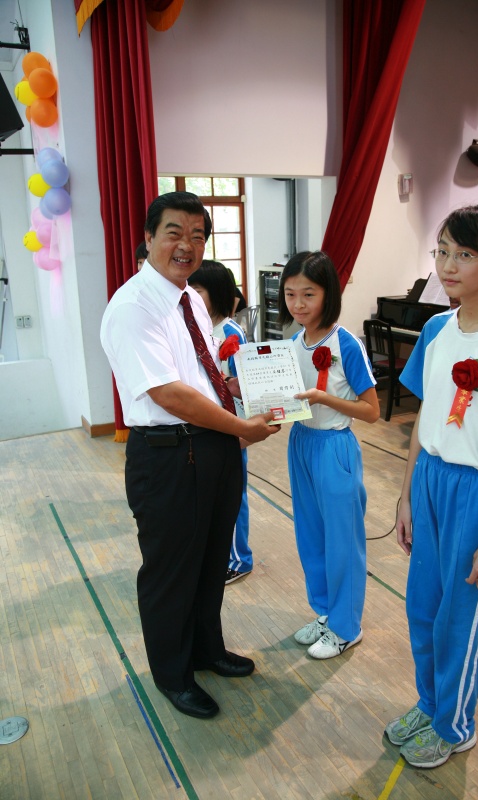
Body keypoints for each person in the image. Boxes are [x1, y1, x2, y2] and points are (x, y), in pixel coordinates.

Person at [100, 191, 280, 720]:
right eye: (175, 233)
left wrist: (242, 388)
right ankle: (172, 675)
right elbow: (169, 394)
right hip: (168, 456)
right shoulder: (133, 306)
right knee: (171, 572)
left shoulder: (192, 299)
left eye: (198, 236)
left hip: (212, 447)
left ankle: (206, 650)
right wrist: (240, 427)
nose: (187, 245)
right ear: (149, 238)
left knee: (210, 560)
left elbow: (201, 374)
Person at [386, 205, 478, 768]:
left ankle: (455, 725)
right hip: (430, 480)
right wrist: (407, 496)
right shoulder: (436, 329)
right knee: (423, 608)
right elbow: (426, 418)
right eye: (442, 251)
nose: (448, 265)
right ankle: (430, 703)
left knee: (463, 617)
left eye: (465, 254)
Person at [278, 251, 380, 659]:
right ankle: (325, 613)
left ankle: (347, 626)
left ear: (328, 295)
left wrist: (325, 399)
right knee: (311, 536)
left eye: (309, 294)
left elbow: (371, 411)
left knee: (342, 540)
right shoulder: (293, 343)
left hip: (335, 446)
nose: (298, 304)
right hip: (301, 442)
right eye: (290, 294)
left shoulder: (346, 343)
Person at [188, 259, 253, 584]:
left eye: (197, 290)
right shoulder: (197, 327)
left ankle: (240, 560)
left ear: (215, 292)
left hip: (232, 428)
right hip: (209, 426)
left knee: (234, 496)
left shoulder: (230, 333)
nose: (190, 295)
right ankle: (220, 554)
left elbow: (247, 387)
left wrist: (244, 432)